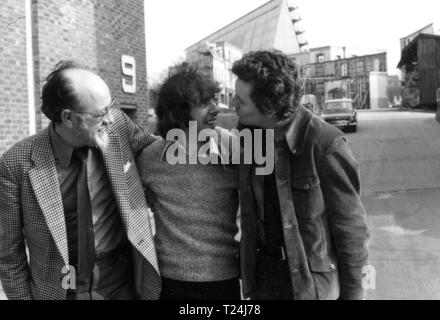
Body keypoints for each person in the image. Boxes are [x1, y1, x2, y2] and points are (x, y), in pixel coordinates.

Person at [0, 61, 160, 300]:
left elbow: (159, 152)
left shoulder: (118, 129)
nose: (110, 119)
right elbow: (9, 257)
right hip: (61, 289)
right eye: (100, 113)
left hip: (120, 285)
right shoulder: (16, 164)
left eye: (111, 107)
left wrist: (205, 143)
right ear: (69, 118)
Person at [231, 50, 369, 300]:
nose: (233, 105)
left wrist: (356, 296)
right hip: (264, 280)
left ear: (269, 107)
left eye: (241, 101)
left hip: (310, 288)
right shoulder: (250, 137)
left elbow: (353, 234)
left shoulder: (325, 144)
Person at [136, 63, 241, 300]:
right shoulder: (150, 157)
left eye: (214, 100)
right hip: (170, 281)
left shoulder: (234, 147)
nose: (216, 109)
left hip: (224, 279)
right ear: (178, 111)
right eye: (205, 103)